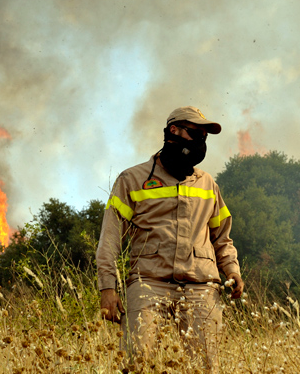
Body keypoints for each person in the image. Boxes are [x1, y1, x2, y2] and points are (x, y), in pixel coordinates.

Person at [96, 106, 244, 370]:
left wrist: (232, 271)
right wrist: (107, 287)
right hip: (148, 284)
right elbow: (109, 238)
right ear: (173, 131)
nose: (201, 142)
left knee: (205, 367)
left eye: (204, 136)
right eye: (195, 133)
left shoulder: (208, 184)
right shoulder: (132, 179)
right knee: (136, 363)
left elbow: (222, 238)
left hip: (202, 286)